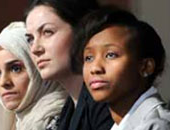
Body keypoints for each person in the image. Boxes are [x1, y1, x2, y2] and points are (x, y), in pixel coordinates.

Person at [72, 7, 170, 130]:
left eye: (111, 55)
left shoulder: (157, 125)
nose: (95, 68)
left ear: (145, 67)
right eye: (89, 58)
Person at [25, 0, 114, 130]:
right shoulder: (68, 110)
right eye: (30, 39)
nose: (35, 49)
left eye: (47, 32)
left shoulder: (107, 103)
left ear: (81, 31)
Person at [0, 21, 67, 130]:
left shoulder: (64, 121)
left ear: (37, 69)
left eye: (16, 69)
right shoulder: (20, 124)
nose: (3, 82)